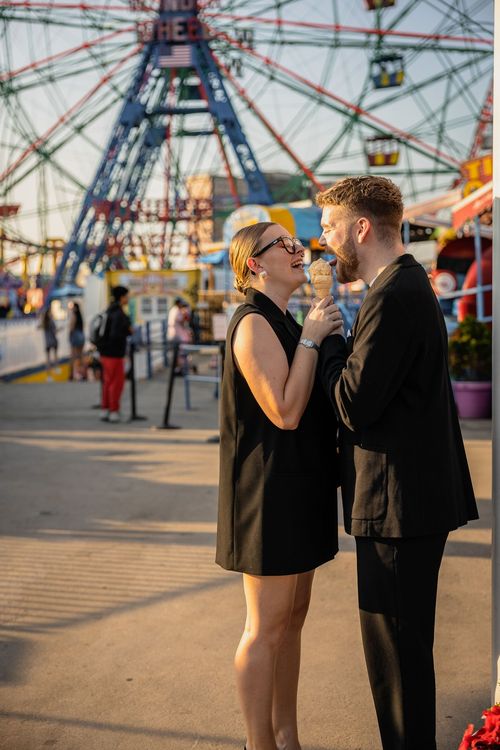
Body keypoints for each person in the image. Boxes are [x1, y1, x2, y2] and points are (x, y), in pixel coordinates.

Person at [315, 176, 478, 750]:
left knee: (396, 659)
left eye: (330, 227)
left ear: (361, 228)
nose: (324, 239)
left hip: (397, 504)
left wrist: (326, 338)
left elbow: (354, 403)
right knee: (402, 654)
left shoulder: (394, 293)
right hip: (408, 498)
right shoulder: (407, 285)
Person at [216, 222, 343, 750]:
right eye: (282, 243)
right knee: (265, 628)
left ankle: (287, 736)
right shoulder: (252, 324)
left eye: (298, 241)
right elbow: (285, 411)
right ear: (255, 264)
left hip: (302, 485)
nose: (298, 249)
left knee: (292, 621)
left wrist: (318, 334)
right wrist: (315, 337)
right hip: (268, 493)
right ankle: (258, 743)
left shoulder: (289, 322)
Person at [98, 285, 132, 423]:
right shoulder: (118, 314)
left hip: (105, 352)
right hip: (115, 353)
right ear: (122, 297)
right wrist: (128, 331)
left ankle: (105, 409)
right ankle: (114, 411)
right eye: (126, 296)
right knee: (116, 383)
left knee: (107, 382)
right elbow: (116, 334)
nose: (128, 298)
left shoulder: (109, 311)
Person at [167, 296, 193, 374]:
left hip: (173, 333)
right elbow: (182, 320)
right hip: (176, 334)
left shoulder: (173, 310)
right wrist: (185, 314)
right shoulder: (176, 311)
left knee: (176, 352)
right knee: (180, 352)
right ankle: (180, 369)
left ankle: (178, 368)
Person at [68, 301, 86, 381]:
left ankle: (71, 375)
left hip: (75, 335)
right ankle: (83, 374)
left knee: (73, 356)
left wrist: (70, 334)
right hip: (81, 335)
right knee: (81, 356)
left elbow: (71, 326)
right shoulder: (80, 316)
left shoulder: (74, 315)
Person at [41, 306, 59, 380]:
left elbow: (39, 327)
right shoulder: (51, 321)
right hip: (53, 341)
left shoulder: (44, 322)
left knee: (48, 359)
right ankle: (56, 368)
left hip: (47, 342)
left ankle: (48, 376)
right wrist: (60, 329)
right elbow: (55, 331)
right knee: (55, 356)